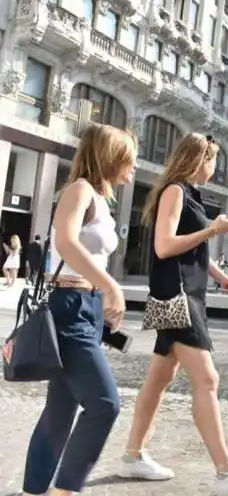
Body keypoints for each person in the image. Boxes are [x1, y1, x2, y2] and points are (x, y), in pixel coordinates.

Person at [118, 133, 228, 494]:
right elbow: (164, 246)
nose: (214, 168)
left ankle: (132, 455)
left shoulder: (190, 194)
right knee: (207, 380)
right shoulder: (175, 191)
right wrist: (210, 230)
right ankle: (225, 472)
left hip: (185, 296)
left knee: (159, 380)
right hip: (179, 298)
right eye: (212, 160)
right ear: (198, 159)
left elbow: (197, 254)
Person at [21, 124, 135, 496]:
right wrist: (110, 284)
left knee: (59, 412)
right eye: (128, 162)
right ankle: (64, 491)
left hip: (87, 308)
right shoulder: (79, 190)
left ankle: (34, 490)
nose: (132, 171)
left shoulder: (101, 200)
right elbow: (65, 243)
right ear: (110, 157)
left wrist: (102, 300)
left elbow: (90, 253)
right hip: (69, 307)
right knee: (104, 404)